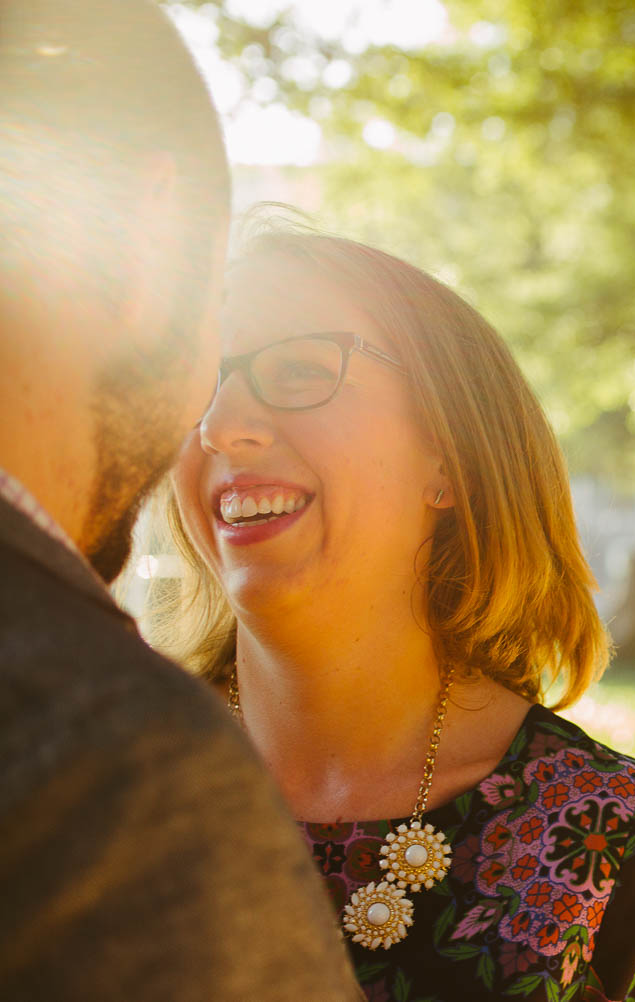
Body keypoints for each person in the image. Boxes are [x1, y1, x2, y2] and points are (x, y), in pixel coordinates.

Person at [157, 223, 635, 1001]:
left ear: (446, 454)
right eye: (195, 382)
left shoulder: (613, 835)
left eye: (300, 369)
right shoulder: (83, 791)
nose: (219, 425)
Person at [0, 2, 364, 998]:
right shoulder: (121, 774)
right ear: (142, 241)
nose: (220, 419)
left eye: (298, 371)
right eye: (217, 311)